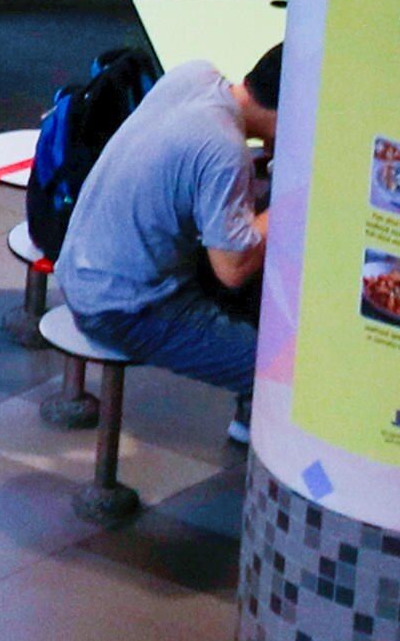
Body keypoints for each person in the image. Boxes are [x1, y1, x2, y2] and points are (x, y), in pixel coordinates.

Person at [53, 49, 278, 396]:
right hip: (121, 309)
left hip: (81, 267)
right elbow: (233, 269)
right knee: (278, 371)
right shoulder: (226, 152)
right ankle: (252, 418)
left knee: (253, 223)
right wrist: (295, 201)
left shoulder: (194, 76)